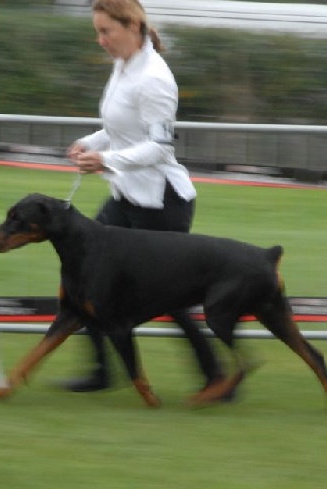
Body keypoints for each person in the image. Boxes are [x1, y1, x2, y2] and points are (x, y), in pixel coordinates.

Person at [60, 0, 232, 396]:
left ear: (132, 25)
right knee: (83, 277)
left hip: (161, 202)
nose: (100, 40)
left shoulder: (154, 77)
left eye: (107, 31)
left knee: (169, 298)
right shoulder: (125, 65)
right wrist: (88, 143)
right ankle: (101, 372)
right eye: (97, 31)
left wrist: (104, 160)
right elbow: (119, 129)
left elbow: (158, 149)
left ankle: (218, 377)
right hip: (126, 195)